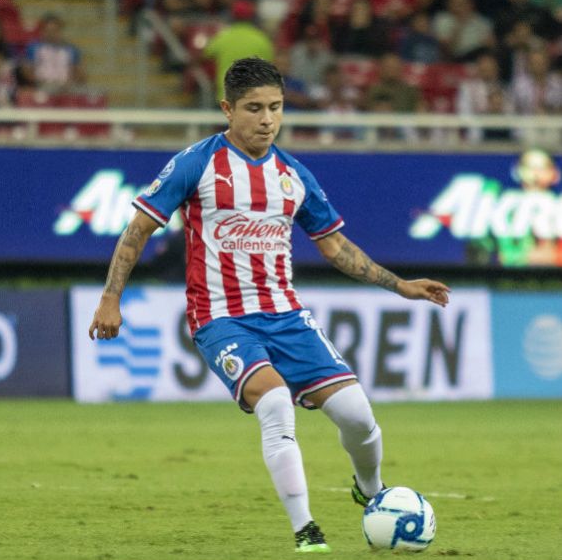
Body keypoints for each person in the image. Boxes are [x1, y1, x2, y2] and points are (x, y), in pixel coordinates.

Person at [88, 57, 451, 553]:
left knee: (358, 416)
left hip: (287, 315)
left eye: (275, 108)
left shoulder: (293, 175)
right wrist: (111, 297)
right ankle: (306, 530)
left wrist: (399, 285)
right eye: (254, 109)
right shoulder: (197, 163)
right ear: (227, 110)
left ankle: (371, 490)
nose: (267, 120)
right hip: (220, 317)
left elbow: (335, 247)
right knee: (276, 402)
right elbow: (139, 228)